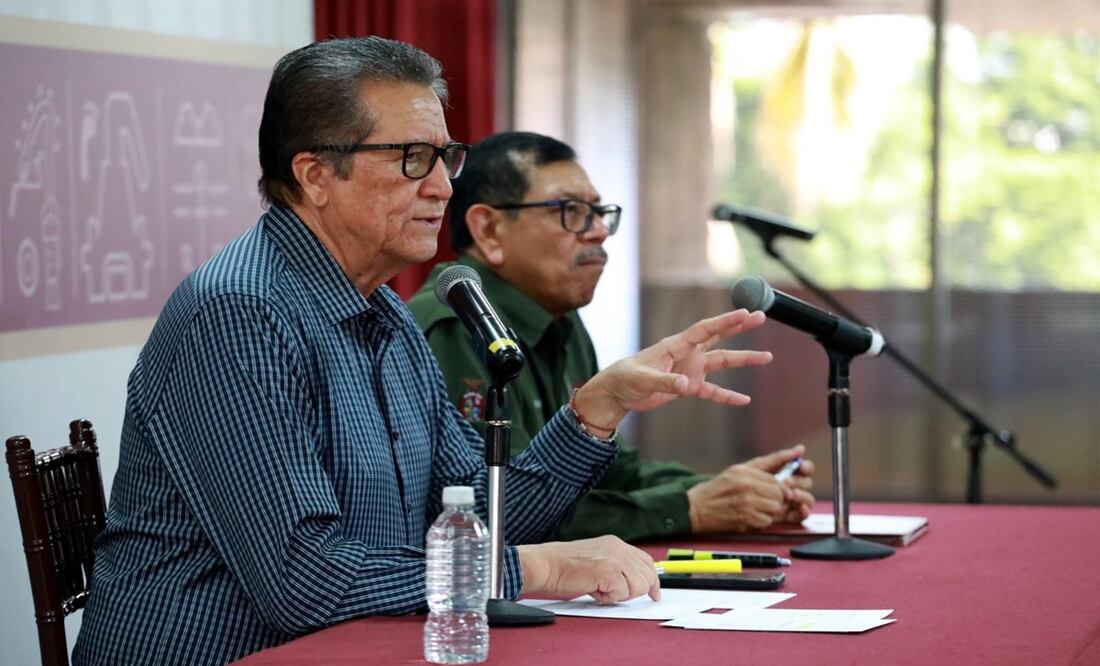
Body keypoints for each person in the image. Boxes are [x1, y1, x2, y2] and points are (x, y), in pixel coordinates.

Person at [72, 38, 775, 665]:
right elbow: (303, 581)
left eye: (444, 157)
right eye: (412, 159)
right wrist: (536, 570)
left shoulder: (382, 313)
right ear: (316, 174)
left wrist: (598, 407)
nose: (441, 186)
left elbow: (481, 513)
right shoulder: (240, 315)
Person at [409, 131, 815, 543]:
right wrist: (689, 508)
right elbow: (501, 512)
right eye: (571, 211)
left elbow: (608, 472)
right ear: (490, 229)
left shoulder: (559, 318)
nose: (600, 231)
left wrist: (728, 490)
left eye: (599, 212)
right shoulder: (457, 327)